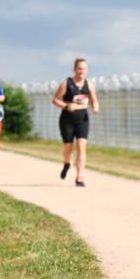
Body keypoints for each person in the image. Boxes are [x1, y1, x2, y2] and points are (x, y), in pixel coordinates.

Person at [52, 58, 100, 187]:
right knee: (68, 148)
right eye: (79, 69)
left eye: (84, 69)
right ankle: (67, 163)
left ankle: (80, 177)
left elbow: (94, 100)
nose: (81, 71)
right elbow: (55, 100)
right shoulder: (66, 84)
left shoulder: (89, 85)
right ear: (75, 69)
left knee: (81, 147)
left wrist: (95, 107)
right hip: (67, 120)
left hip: (82, 120)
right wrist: (67, 106)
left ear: (87, 70)